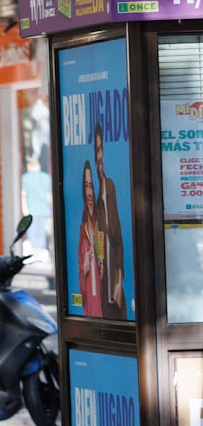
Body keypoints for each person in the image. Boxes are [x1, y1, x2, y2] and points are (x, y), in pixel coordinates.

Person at [94, 123, 126, 315]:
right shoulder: (94, 198)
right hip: (101, 289)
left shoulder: (110, 187)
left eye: (101, 150)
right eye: (96, 150)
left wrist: (119, 280)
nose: (99, 156)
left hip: (115, 287)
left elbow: (118, 240)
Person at [76, 162, 105, 319]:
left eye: (91, 186)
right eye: (86, 186)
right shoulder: (83, 228)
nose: (89, 192)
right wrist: (85, 268)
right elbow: (80, 267)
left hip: (101, 296)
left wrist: (101, 265)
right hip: (90, 294)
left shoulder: (101, 223)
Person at [20, 155, 51, 257]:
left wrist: (24, 208)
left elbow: (23, 195)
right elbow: (49, 195)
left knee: (32, 231)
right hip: (44, 209)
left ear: (29, 166)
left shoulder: (25, 178)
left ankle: (35, 251)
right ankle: (41, 251)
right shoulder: (46, 177)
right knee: (41, 231)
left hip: (31, 209)